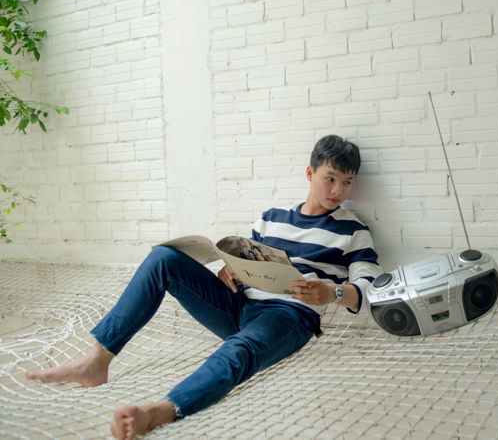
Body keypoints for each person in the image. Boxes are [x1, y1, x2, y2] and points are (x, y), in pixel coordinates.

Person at [24, 135, 382, 439]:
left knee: (240, 349)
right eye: (330, 178)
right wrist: (232, 271)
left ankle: (163, 410)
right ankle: (96, 361)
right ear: (310, 173)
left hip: (290, 317)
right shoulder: (271, 217)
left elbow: (369, 288)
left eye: (347, 182)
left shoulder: (352, 230)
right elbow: (249, 258)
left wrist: (332, 293)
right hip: (239, 304)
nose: (338, 191)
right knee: (163, 259)